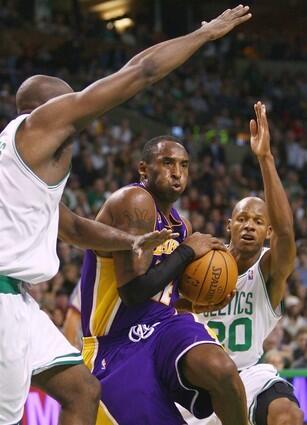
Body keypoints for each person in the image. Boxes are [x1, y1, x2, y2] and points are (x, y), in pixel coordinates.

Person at [0, 5, 252, 424]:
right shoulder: (35, 130)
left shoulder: (21, 170)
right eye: (71, 102)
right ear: (46, 111)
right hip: (10, 303)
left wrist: (132, 241)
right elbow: (141, 72)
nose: (80, 112)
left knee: (81, 391)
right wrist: (205, 35)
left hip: (21, 301)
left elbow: (77, 228)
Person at [80, 135, 249, 425]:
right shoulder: (134, 201)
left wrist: (200, 304)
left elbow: (166, 296)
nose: (177, 172)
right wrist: (186, 252)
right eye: (167, 162)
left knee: (221, 370)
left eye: (184, 165)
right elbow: (133, 293)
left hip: (163, 326)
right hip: (115, 342)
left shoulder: (182, 226)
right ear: (143, 169)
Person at [180, 103, 304, 425]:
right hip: (196, 379)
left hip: (247, 374)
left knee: (287, 415)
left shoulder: (269, 270)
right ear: (229, 225)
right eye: (242, 219)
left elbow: (288, 232)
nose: (249, 225)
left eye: (258, 221)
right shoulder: (201, 263)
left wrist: (265, 159)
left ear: (268, 231)